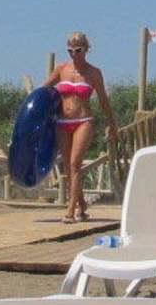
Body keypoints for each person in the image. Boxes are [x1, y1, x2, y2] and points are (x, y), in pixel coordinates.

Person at [44, 31, 115, 223]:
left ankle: (70, 211)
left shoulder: (94, 73)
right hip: (62, 122)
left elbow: (103, 100)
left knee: (75, 164)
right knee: (68, 168)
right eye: (70, 50)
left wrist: (112, 125)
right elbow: (43, 91)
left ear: (86, 49)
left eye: (78, 50)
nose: (74, 54)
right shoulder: (61, 69)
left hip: (84, 121)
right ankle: (82, 205)